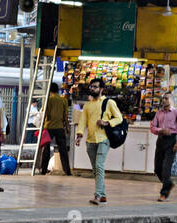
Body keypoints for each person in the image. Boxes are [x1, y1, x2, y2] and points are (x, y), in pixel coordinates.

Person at [74, 77, 123, 205]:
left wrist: (107, 122)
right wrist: (79, 135)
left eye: (95, 87)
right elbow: (82, 121)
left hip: (103, 139)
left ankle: (98, 195)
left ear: (101, 89)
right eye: (91, 86)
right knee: (96, 169)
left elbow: (119, 118)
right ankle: (103, 195)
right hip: (90, 140)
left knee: (99, 166)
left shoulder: (109, 102)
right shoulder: (87, 105)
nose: (92, 89)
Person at [151, 95, 177, 201]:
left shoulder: (176, 113)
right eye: (163, 98)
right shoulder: (158, 113)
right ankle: (168, 184)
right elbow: (152, 127)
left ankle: (163, 193)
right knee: (157, 169)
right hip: (161, 140)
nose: (164, 100)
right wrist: (160, 130)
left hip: (171, 141)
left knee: (166, 169)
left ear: (172, 100)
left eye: (167, 98)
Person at [38, 83, 71, 176]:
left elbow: (44, 114)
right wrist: (67, 127)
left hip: (48, 127)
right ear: (58, 90)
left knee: (46, 149)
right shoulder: (63, 100)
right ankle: (67, 171)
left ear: (50, 90)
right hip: (60, 127)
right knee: (63, 149)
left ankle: (43, 170)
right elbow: (65, 116)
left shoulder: (48, 99)